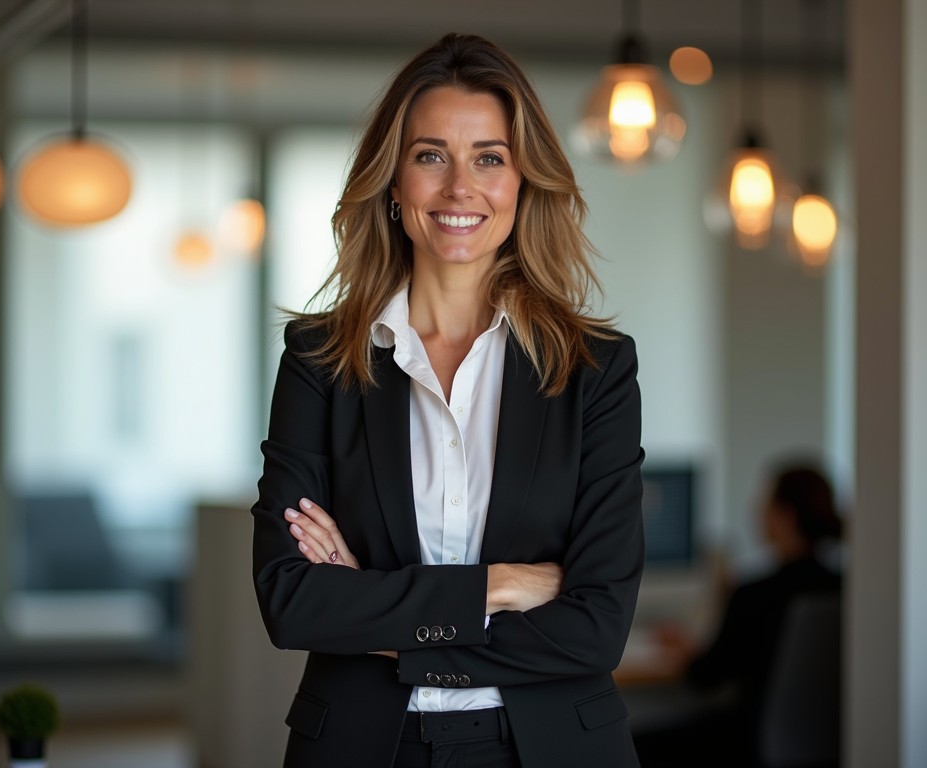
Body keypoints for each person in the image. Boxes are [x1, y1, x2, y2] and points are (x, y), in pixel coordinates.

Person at [251, 32, 645, 768]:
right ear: (393, 184)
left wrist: (377, 608)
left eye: (489, 158)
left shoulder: (596, 370)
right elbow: (293, 602)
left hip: (556, 748)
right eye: (431, 155)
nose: (460, 189)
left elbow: (598, 627)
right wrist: (500, 587)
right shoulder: (318, 362)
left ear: (523, 183)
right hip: (363, 747)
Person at [637, 462, 843, 767]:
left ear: (784, 516)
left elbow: (705, 677)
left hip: (748, 741)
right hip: (827, 746)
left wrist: (683, 649)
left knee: (632, 742)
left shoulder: (755, 593)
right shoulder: (844, 588)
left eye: (765, 504)